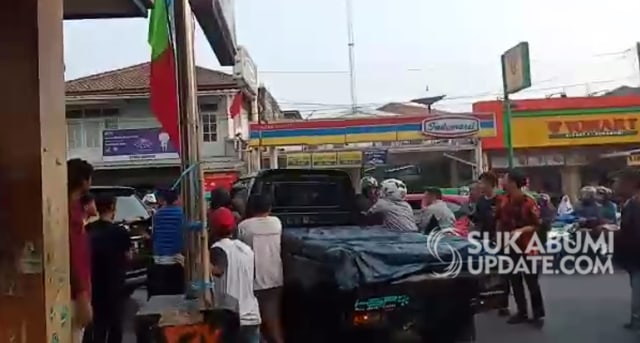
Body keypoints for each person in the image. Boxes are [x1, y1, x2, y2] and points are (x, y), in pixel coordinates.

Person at [496, 169, 545, 325]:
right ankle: (521, 312)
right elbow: (499, 221)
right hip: (509, 246)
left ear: (512, 182)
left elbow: (537, 225)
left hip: (527, 245)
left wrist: (520, 231)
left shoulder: (528, 202)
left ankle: (538, 314)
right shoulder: (503, 200)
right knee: (515, 280)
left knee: (531, 282)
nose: (502, 181)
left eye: (505, 179)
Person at [83, 195, 132, 343]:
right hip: (114, 284)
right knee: (115, 324)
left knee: (97, 325)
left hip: (94, 283)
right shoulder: (120, 232)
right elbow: (128, 256)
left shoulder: (88, 229)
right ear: (113, 208)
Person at [210, 207, 262, 343]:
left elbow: (218, 269)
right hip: (252, 315)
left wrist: (197, 261)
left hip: (231, 318)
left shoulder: (217, 248)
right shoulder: (246, 249)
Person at [238, 194, 284, 343]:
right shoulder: (276, 223)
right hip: (274, 277)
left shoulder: (244, 226)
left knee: (252, 321)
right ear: (269, 208)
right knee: (272, 317)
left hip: (252, 280)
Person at [474, 172, 510, 317]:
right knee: (485, 273)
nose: (480, 186)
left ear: (491, 184)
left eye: (482, 183)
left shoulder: (501, 200)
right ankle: (488, 301)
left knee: (502, 274)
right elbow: (477, 221)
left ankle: (503, 304)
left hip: (499, 241)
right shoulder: (481, 201)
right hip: (483, 242)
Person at [67, 158, 94, 342]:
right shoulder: (70, 212)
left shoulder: (75, 208)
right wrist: (82, 294)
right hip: (74, 296)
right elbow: (72, 256)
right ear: (84, 181)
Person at [610, 168, 640, 333]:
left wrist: (617, 234)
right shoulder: (630, 203)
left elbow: (634, 231)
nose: (616, 185)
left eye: (620, 181)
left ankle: (636, 319)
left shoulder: (636, 204)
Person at [148, 189, 184, 297]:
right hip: (176, 259)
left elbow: (154, 235)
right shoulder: (182, 214)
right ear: (177, 200)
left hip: (159, 260)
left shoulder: (157, 215)